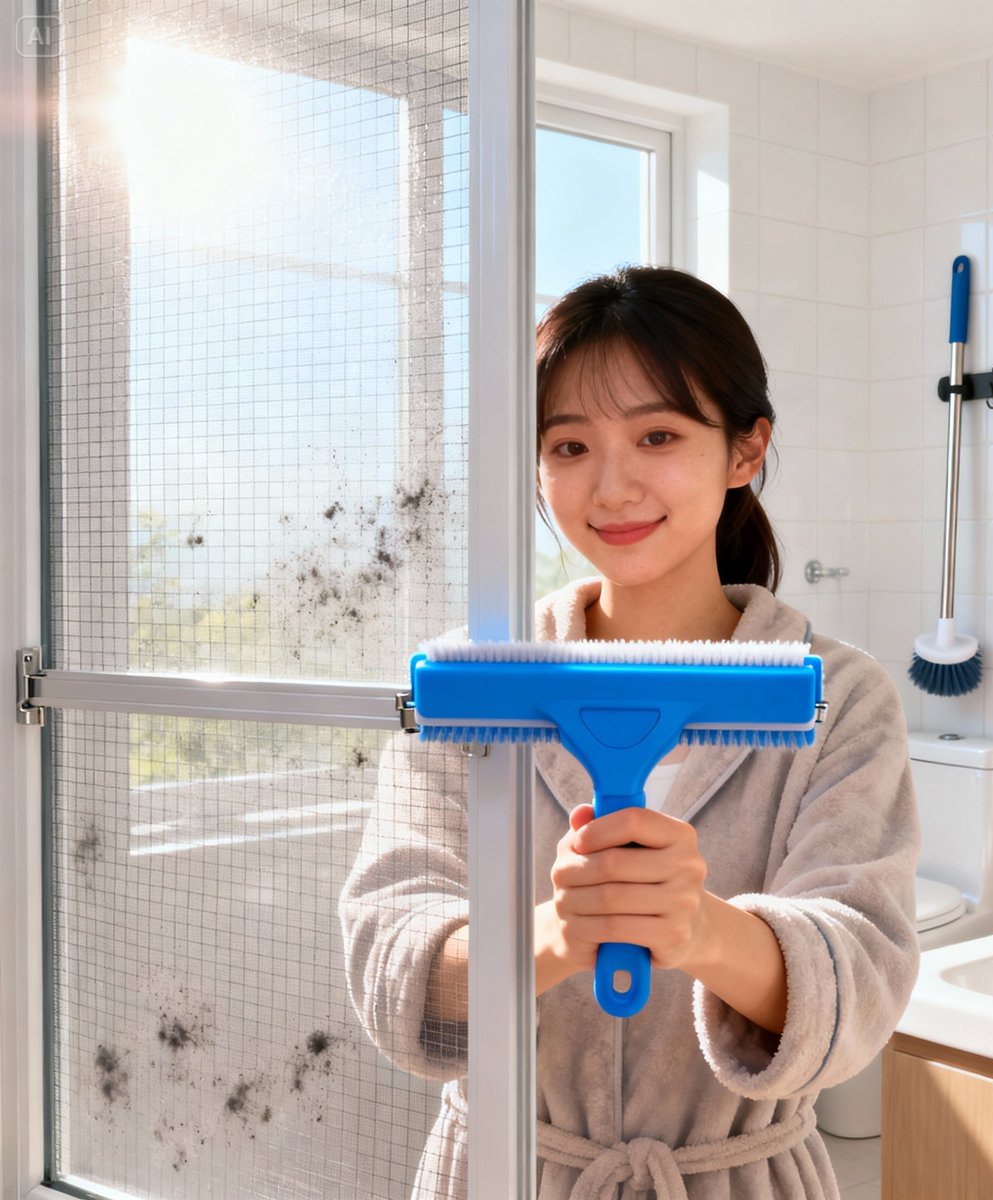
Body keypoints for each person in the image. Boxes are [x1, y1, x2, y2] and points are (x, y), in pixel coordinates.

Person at [339, 265, 920, 1199]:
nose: (610, 486)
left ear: (745, 448)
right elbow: (389, 953)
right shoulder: (470, 686)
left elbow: (863, 972)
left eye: (658, 435)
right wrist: (559, 935)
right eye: (568, 446)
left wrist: (698, 928)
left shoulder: (835, 697)